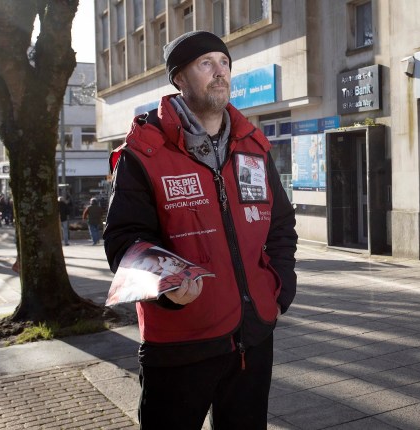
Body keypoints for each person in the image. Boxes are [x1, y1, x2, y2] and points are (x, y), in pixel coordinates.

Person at [103, 30, 298, 429]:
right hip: (180, 341)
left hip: (254, 334)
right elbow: (125, 240)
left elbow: (280, 224)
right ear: (179, 78)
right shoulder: (143, 153)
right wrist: (166, 290)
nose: (220, 73)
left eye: (224, 63)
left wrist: (281, 287)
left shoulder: (253, 147)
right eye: (206, 64)